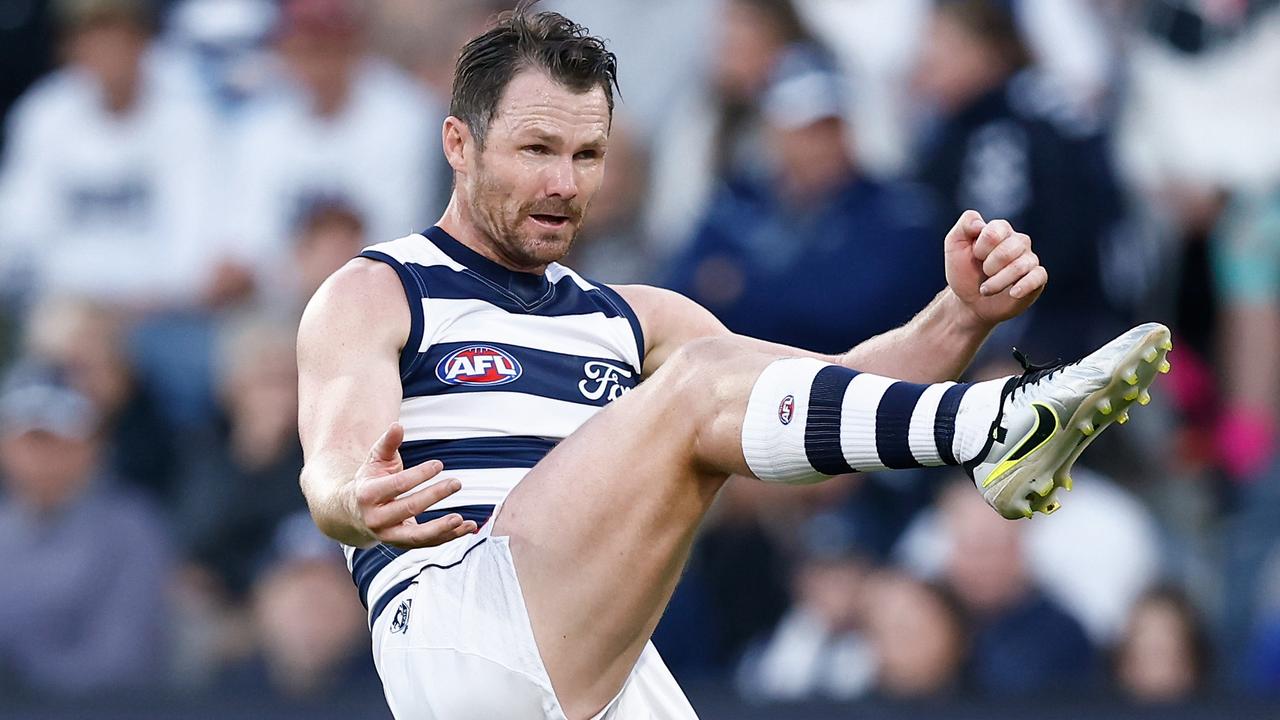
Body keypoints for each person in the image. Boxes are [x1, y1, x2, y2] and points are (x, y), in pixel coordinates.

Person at [296, 8, 1171, 718]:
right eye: (537, 150)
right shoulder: (380, 287)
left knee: (715, 386)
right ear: (459, 144)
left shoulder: (632, 317)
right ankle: (998, 428)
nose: (566, 183)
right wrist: (353, 501)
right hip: (457, 628)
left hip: (596, 667)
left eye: (587, 154)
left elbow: (836, 395)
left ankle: (995, 429)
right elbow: (333, 467)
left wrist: (962, 314)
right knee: (698, 382)